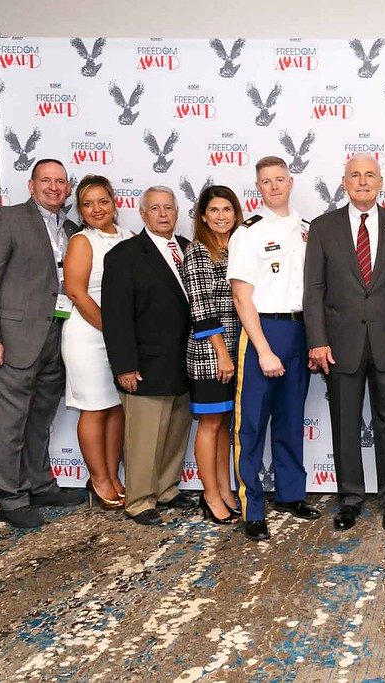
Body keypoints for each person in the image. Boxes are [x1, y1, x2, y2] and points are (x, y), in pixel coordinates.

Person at [0, 158, 86, 527]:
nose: (54, 187)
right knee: (8, 424)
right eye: (46, 180)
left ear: (68, 189)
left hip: (55, 337)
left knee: (39, 420)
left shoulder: (69, 227)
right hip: (12, 340)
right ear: (31, 185)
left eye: (61, 182)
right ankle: (12, 498)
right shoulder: (6, 219)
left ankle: (40, 482)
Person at [304, 154, 385, 532]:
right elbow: (314, 291)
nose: (363, 181)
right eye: (356, 175)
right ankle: (350, 498)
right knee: (344, 423)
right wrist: (317, 341)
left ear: (381, 181)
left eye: (370, 175)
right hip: (340, 344)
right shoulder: (323, 228)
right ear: (344, 181)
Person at [228, 157, 317, 542]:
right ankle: (253, 509)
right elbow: (241, 297)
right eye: (266, 181)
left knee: (290, 417)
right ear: (258, 187)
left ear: (291, 181)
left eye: (280, 179)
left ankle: (290, 494)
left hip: (300, 331)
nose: (274, 186)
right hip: (263, 331)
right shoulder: (248, 232)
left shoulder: (308, 230)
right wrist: (263, 349)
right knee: (251, 425)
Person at [101, 185, 196, 526]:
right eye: (155, 208)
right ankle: (140, 500)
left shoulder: (188, 249)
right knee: (144, 437)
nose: (163, 214)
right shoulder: (124, 255)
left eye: (168, 208)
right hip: (145, 363)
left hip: (186, 362)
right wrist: (124, 365)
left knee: (175, 431)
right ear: (142, 213)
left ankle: (167, 488)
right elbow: (115, 316)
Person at [61, 175, 133, 511]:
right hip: (88, 333)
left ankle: (113, 475)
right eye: (87, 204)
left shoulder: (129, 237)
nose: (96, 209)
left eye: (102, 201)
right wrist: (113, 330)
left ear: (114, 203)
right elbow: (76, 291)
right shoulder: (81, 240)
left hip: (119, 334)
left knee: (116, 407)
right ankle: (98, 478)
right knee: (93, 407)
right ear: (80, 209)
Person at [184, 185, 244, 526]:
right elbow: (202, 308)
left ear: (235, 214)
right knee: (209, 424)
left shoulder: (237, 246)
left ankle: (224, 488)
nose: (221, 216)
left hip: (236, 349)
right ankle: (209, 494)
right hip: (210, 352)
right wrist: (222, 354)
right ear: (203, 216)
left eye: (227, 210)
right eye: (214, 211)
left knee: (223, 425)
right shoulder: (197, 252)